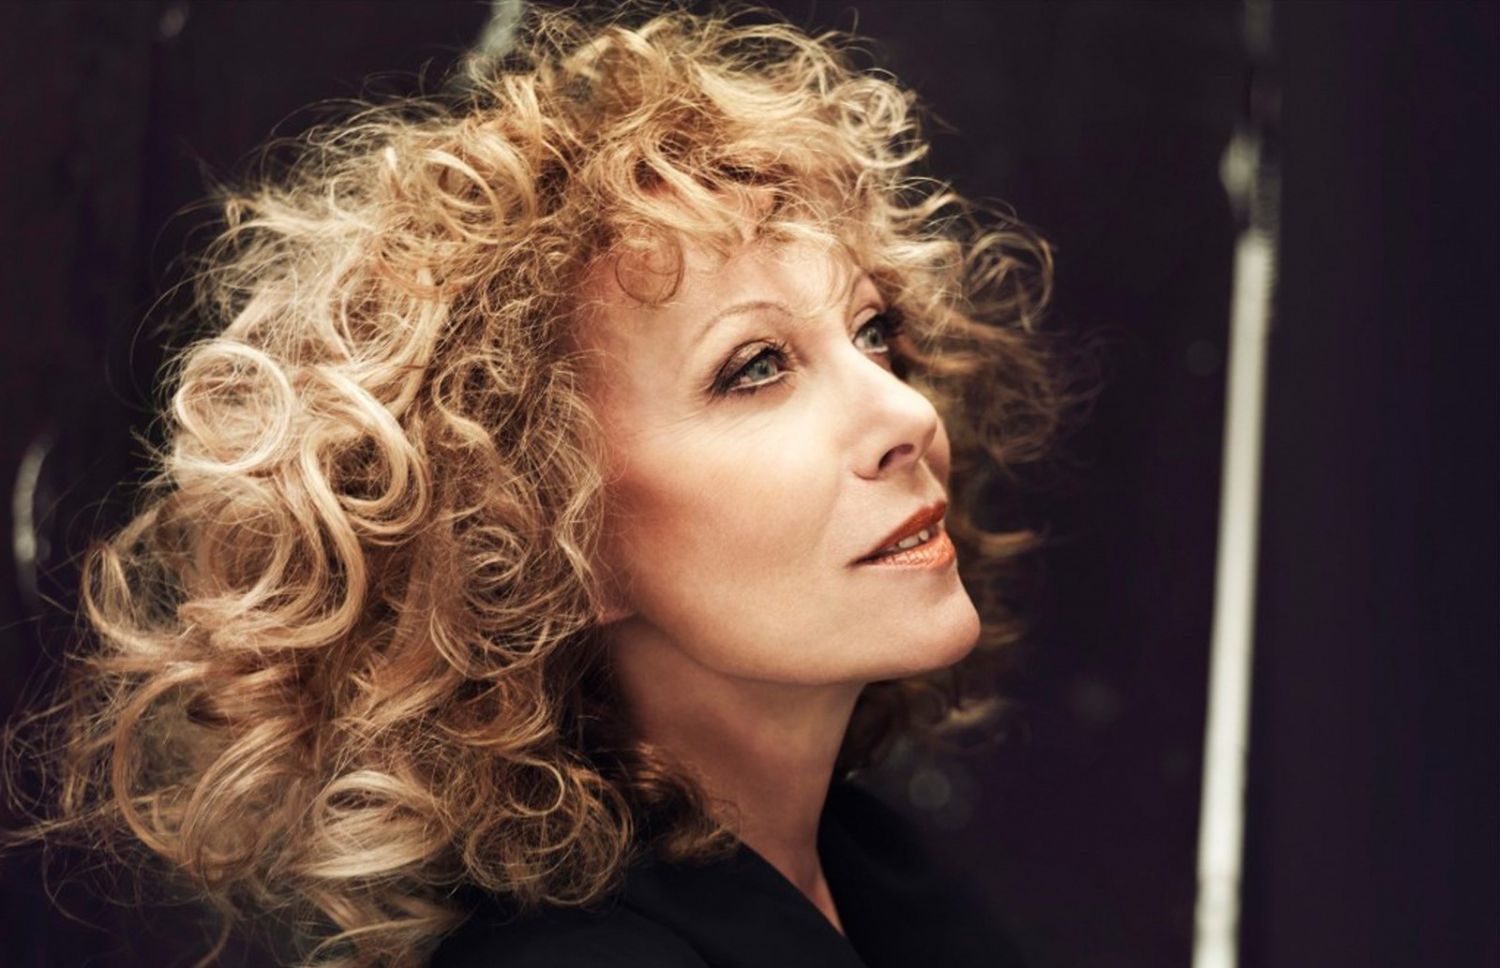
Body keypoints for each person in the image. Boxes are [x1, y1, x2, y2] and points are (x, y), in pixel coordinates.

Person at [5, 3, 1068, 966]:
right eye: (754, 367)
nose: (905, 414)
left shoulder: (875, 873)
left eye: (873, 331)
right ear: (539, 535)